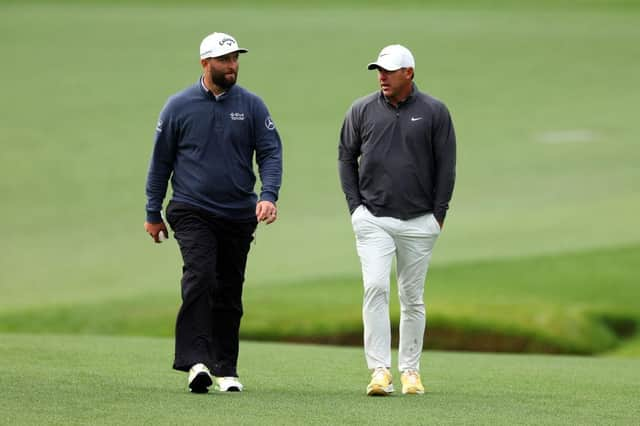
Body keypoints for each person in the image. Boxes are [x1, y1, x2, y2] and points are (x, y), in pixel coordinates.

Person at [143, 32, 282, 394]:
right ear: (206, 63)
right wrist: (152, 210)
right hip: (192, 208)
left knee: (229, 290)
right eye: (224, 60)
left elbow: (270, 153)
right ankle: (196, 362)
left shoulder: (252, 106)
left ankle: (226, 368)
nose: (232, 65)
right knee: (200, 277)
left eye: (235, 59)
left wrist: (268, 195)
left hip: (238, 213)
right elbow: (160, 162)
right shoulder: (178, 106)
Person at [338, 44, 456, 396]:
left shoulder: (434, 111)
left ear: (409, 73)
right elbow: (346, 158)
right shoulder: (361, 110)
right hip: (373, 218)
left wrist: (439, 216)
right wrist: (355, 209)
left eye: (389, 71)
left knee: (412, 297)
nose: (382, 77)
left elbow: (446, 166)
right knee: (375, 287)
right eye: (379, 70)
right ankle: (379, 371)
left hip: (420, 220)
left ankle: (410, 372)